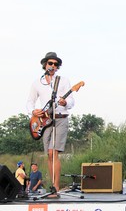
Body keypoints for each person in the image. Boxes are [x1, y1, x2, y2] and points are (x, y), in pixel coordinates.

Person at [26, 52, 75, 196]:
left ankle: (56, 187)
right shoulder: (37, 83)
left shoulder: (63, 80)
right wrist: (33, 111)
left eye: (55, 64)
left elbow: (72, 101)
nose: (53, 66)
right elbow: (30, 102)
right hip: (45, 120)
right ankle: (52, 186)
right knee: (49, 154)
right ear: (45, 65)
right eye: (50, 63)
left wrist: (65, 102)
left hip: (60, 118)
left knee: (54, 152)